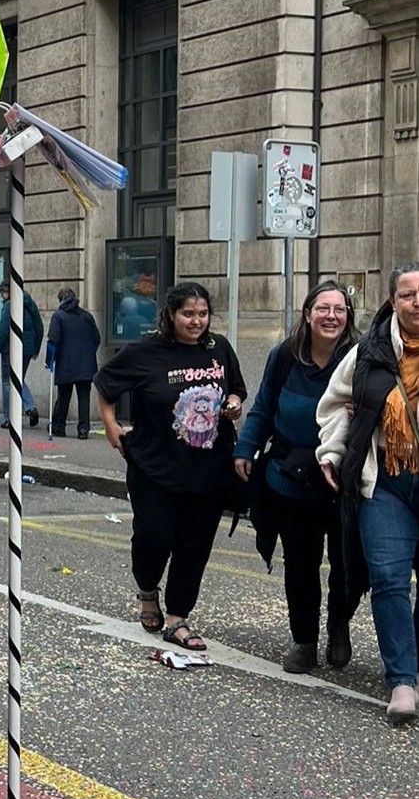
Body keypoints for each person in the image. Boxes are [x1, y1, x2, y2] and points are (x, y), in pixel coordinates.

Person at [94, 280, 247, 652]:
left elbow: (237, 388)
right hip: (154, 465)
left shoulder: (218, 348)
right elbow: (105, 383)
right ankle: (148, 590)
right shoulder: (146, 351)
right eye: (188, 314)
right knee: (155, 536)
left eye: (203, 314)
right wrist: (110, 425)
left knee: (195, 545)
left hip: (208, 466)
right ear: (172, 314)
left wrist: (233, 403)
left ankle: (178, 616)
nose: (196, 321)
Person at [234, 281, 360, 675]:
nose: (331, 316)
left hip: (344, 478)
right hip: (290, 476)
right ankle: (304, 640)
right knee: (300, 564)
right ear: (307, 314)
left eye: (339, 310)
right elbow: (264, 406)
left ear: (348, 317)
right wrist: (245, 447)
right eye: (323, 308)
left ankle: (339, 624)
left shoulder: (362, 358)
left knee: (347, 562)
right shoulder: (284, 356)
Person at [317, 263, 419, 725]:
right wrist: (332, 452)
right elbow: (335, 405)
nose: (416, 302)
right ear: (392, 301)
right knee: (389, 578)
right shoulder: (368, 352)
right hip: (385, 482)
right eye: (407, 295)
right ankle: (402, 681)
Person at [46, 289, 102, 439]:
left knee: (64, 396)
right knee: (84, 397)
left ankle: (59, 426)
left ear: (60, 300)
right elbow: (97, 338)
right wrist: (88, 354)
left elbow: (53, 340)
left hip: (66, 363)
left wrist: (49, 361)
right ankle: (83, 429)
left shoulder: (58, 316)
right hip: (86, 364)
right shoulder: (87, 316)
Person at [0, 279, 42, 427]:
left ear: (8, 292)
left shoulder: (9, 305)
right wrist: (36, 348)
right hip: (27, 348)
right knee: (18, 379)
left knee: (7, 381)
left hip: (10, 349)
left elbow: (3, 331)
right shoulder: (30, 304)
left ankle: (9, 418)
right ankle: (30, 407)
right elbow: (39, 326)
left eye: (3, 293)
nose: (2, 297)